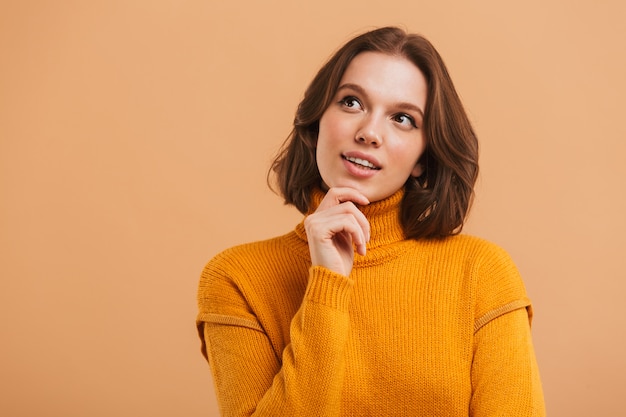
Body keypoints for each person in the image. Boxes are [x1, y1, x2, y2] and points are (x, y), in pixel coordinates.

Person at [196, 26, 545, 416]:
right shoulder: (237, 278)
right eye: (351, 103)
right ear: (315, 125)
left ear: (422, 160)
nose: (369, 133)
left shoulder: (483, 273)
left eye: (402, 118)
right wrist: (327, 284)